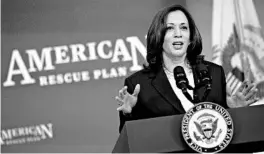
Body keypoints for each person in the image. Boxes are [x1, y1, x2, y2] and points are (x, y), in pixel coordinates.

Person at [115, 4, 259, 133]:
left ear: (190, 37)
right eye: (170, 28)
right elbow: (131, 139)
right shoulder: (139, 84)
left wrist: (234, 110)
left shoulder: (214, 72)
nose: (178, 33)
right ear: (158, 36)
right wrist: (129, 113)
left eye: (184, 27)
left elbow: (222, 128)